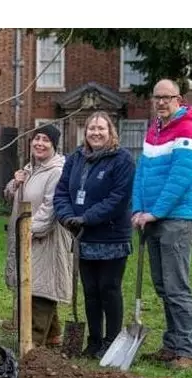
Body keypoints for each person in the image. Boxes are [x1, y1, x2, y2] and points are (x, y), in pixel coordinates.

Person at [131, 79, 192, 370]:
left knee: (177, 287)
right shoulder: (155, 131)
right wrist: (138, 208)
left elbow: (181, 178)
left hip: (177, 219)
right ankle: (172, 344)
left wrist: (156, 212)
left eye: (167, 97)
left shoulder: (188, 129)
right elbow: (143, 173)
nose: (161, 102)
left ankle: (186, 350)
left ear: (179, 99)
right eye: (157, 97)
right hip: (152, 218)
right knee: (163, 286)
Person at [54, 111, 136, 359]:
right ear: (85, 132)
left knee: (109, 288)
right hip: (82, 236)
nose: (96, 133)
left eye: (101, 129)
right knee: (90, 290)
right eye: (92, 129)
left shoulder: (122, 160)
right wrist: (67, 216)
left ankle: (111, 341)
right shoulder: (76, 158)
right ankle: (94, 340)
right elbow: (61, 192)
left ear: (111, 132)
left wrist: (87, 218)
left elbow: (118, 198)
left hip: (111, 236)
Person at [4, 124, 73, 347]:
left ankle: (32, 343)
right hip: (27, 238)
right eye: (36, 139)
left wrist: (29, 230)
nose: (39, 143)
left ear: (53, 145)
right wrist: (15, 182)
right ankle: (54, 336)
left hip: (46, 240)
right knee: (34, 284)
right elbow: (9, 195)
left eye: (45, 140)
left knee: (40, 288)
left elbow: (50, 208)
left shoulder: (57, 171)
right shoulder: (30, 168)